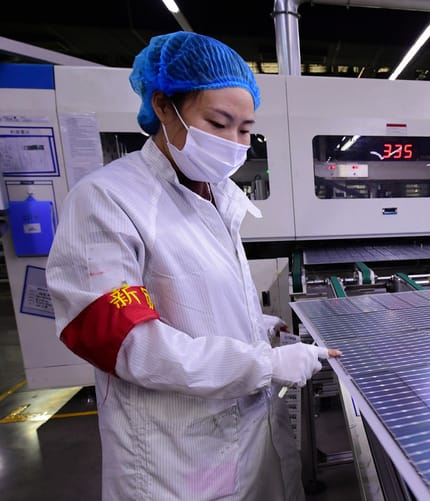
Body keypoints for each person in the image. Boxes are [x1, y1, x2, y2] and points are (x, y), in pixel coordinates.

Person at [47, 31, 339, 500]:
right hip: (173, 455)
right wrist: (265, 364)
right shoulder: (108, 200)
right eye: (218, 123)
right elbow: (128, 343)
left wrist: (264, 329)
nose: (232, 142)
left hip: (246, 433)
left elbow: (195, 302)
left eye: (244, 130)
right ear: (164, 106)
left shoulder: (217, 196)